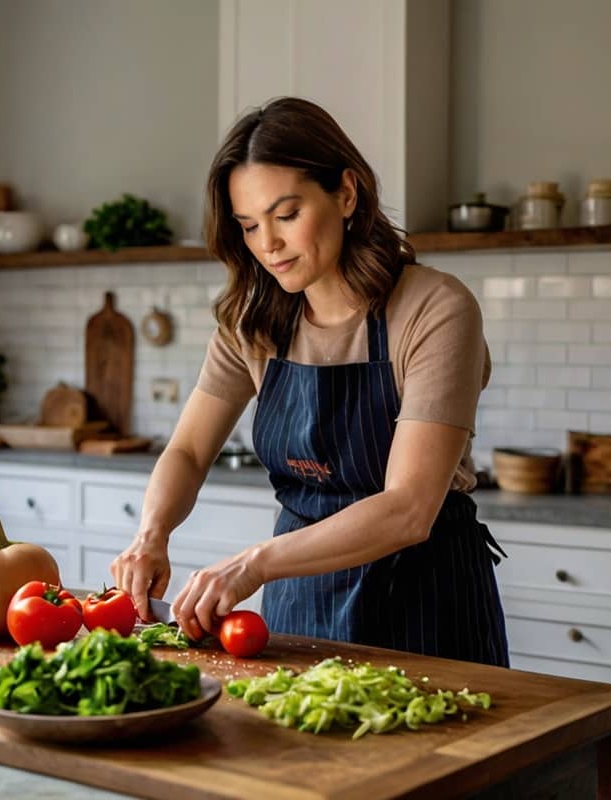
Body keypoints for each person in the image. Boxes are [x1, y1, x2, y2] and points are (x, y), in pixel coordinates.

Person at [111, 96, 509, 667]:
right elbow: (190, 449)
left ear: (346, 193)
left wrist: (255, 562)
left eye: (287, 214)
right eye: (248, 225)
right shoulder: (252, 319)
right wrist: (152, 532)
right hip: (299, 597)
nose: (267, 243)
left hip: (423, 601)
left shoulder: (434, 307)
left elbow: (409, 507)